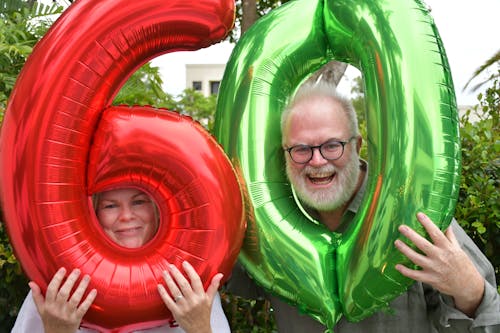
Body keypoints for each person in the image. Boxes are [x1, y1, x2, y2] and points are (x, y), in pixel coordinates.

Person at [228, 80, 500, 332]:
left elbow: (491, 315)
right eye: (301, 149)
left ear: (357, 145)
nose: (317, 161)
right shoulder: (271, 225)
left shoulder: (411, 214)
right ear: (284, 155)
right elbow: (229, 277)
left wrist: (470, 292)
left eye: (332, 145)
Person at [12, 187, 230, 333]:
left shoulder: (189, 284)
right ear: (94, 215)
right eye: (110, 206)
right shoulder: (62, 289)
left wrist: (200, 328)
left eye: (138, 202)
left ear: (158, 210)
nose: (126, 216)